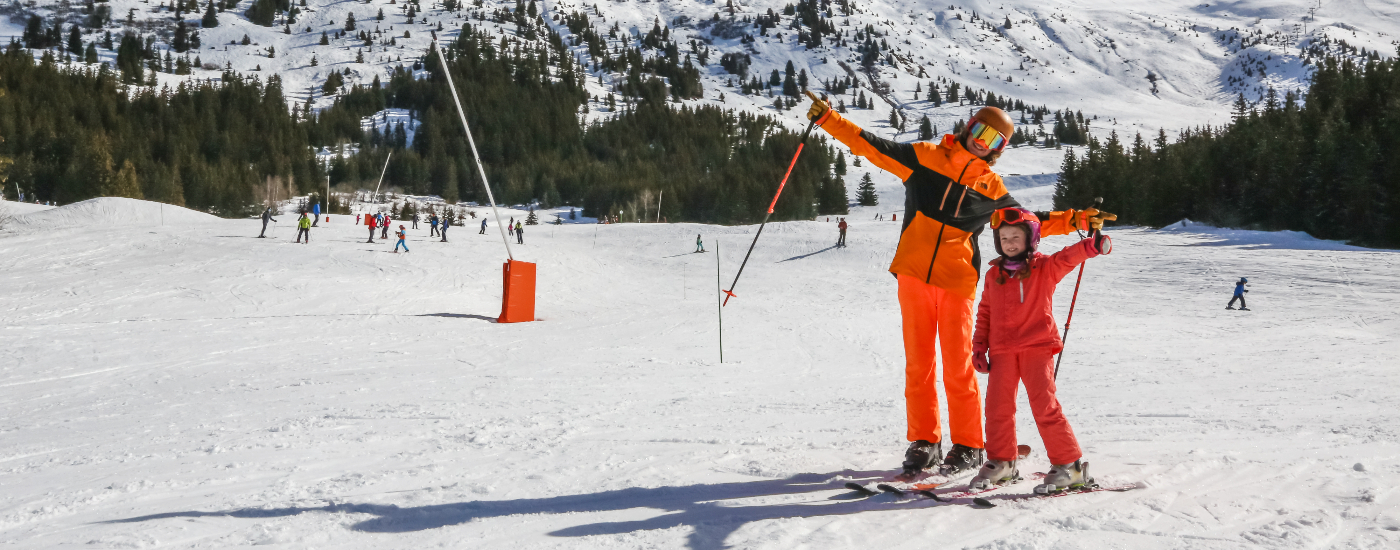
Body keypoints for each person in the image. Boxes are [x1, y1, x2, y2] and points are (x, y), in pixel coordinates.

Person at [803, 90, 1116, 479]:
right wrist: (829, 120)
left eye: (993, 142)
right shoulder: (924, 158)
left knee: (957, 365)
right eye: (980, 132)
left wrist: (1076, 220)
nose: (981, 143)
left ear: (998, 150)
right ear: (969, 127)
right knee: (919, 363)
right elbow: (872, 145)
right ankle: (924, 441)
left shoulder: (991, 187)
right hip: (914, 274)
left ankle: (968, 443)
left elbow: (1030, 222)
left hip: (958, 281)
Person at [968, 208, 1112, 494]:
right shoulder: (993, 274)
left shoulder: (1044, 267)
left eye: (1016, 237)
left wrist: (1092, 245)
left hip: (1037, 347)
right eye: (1004, 237)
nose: (1009, 242)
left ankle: (1069, 466)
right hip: (1002, 351)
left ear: (1030, 239)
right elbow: (985, 312)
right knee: (997, 408)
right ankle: (1002, 461)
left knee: (1044, 407)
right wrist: (979, 345)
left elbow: (1067, 257)